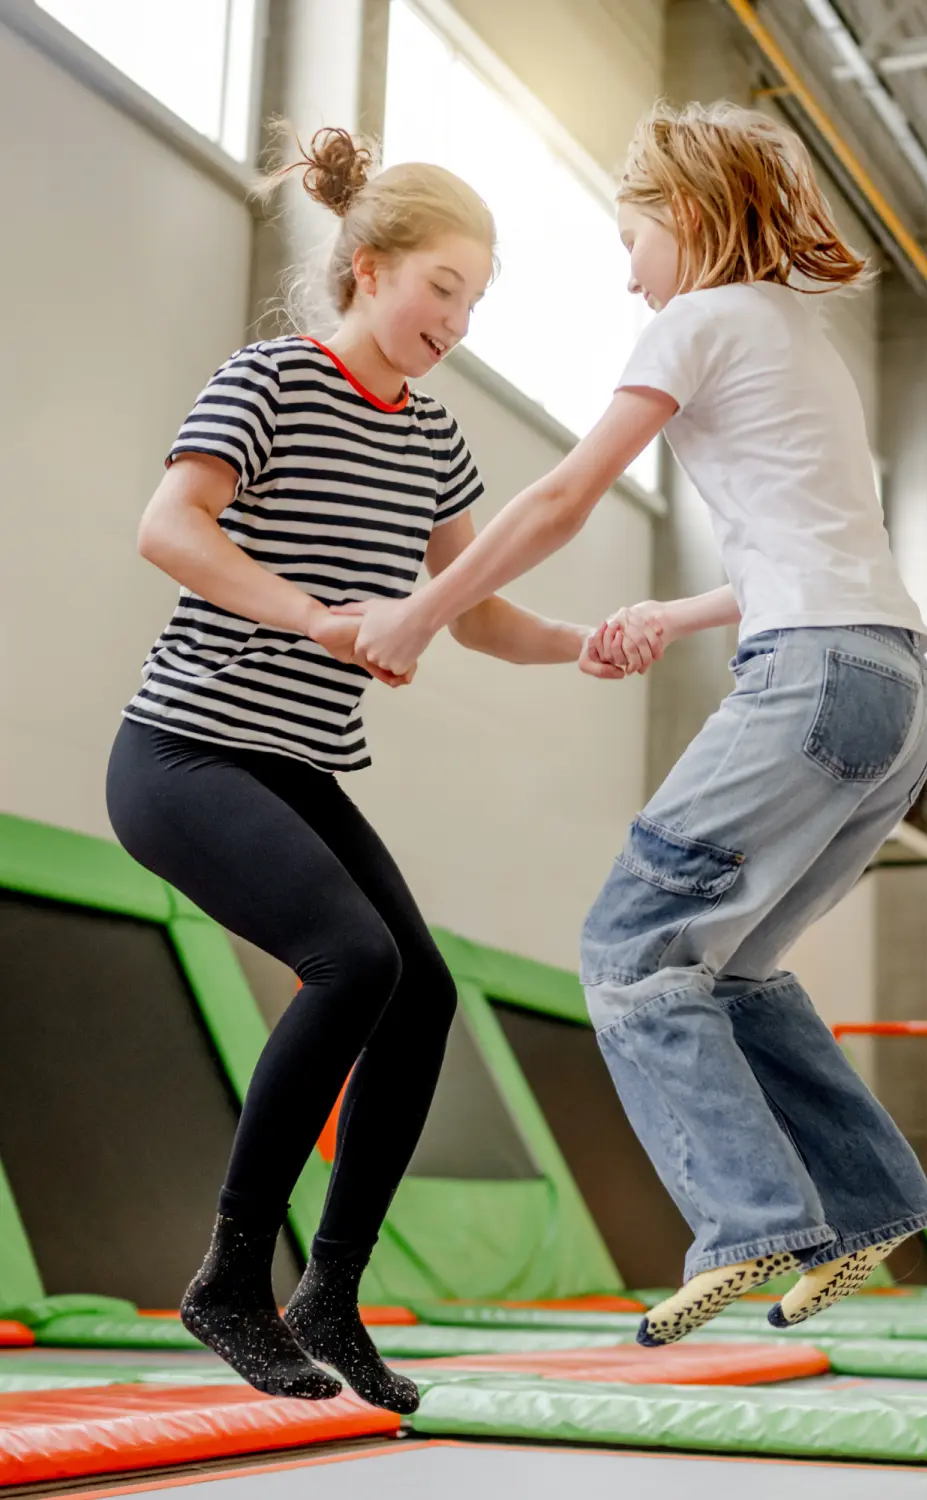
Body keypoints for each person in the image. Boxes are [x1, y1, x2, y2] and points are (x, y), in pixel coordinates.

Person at [342, 101, 927, 1344]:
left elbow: (565, 494)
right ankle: (872, 1203)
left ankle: (748, 1224)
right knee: (732, 965)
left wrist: (420, 610)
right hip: (893, 693)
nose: (627, 275)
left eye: (632, 241)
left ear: (684, 213)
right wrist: (668, 616)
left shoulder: (697, 319)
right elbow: (811, 553)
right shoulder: (797, 338)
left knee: (628, 946)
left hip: (808, 678)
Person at [106, 128, 635, 1410]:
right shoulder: (270, 378)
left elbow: (474, 612)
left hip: (297, 766)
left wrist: (582, 643)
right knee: (357, 959)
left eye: (474, 301)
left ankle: (328, 1296)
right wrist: (317, 617)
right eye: (439, 287)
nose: (452, 321)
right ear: (367, 263)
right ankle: (231, 1279)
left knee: (421, 993)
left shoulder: (437, 442)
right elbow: (167, 527)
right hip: (183, 749)